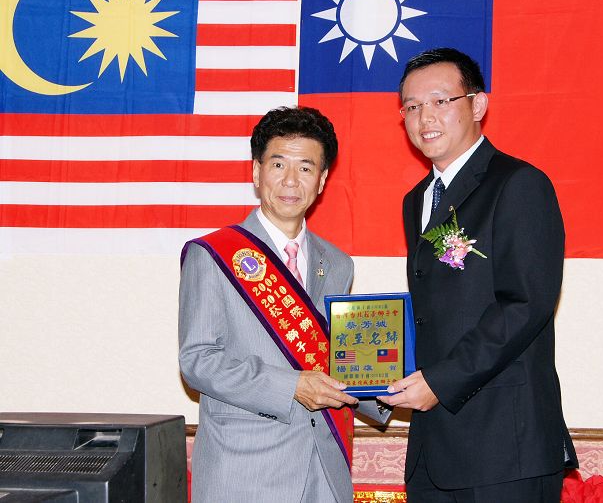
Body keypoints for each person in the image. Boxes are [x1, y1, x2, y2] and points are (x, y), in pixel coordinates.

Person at [378, 48, 578, 502]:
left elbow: (525, 304)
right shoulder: (417, 200)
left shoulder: (518, 183)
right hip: (434, 445)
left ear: (478, 105)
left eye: (440, 101)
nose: (425, 117)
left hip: (505, 446)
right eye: (412, 106)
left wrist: (440, 381)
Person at [179, 106, 388, 503]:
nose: (291, 180)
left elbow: (335, 358)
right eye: (278, 165)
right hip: (244, 470)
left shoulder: (338, 263)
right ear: (257, 172)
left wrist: (385, 388)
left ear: (322, 180)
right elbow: (198, 361)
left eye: (306, 168)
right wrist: (292, 386)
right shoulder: (214, 254)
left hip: (324, 468)